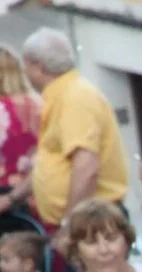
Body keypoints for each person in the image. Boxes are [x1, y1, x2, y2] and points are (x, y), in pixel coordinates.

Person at [19, 30, 123, 232]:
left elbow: (86, 168)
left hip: (92, 224)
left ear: (38, 66)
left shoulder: (75, 97)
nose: (25, 73)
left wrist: (70, 226)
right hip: (81, 220)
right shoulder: (63, 95)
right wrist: (14, 197)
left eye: (26, 66)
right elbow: (53, 160)